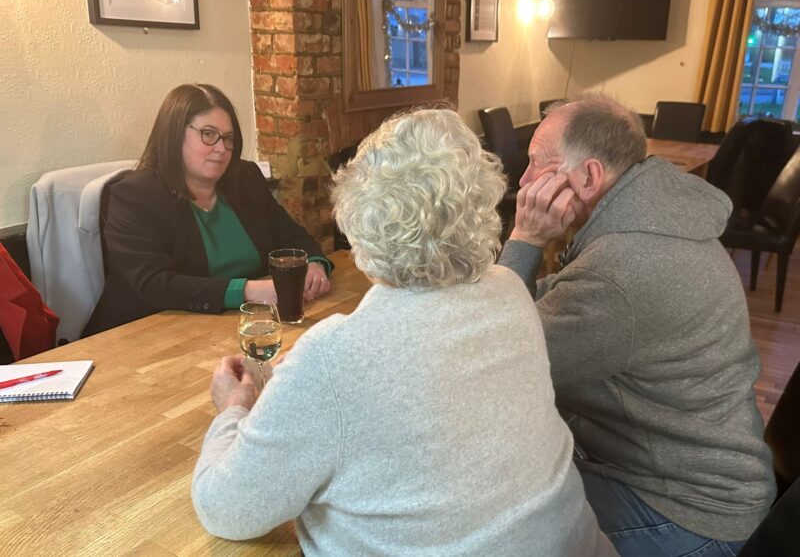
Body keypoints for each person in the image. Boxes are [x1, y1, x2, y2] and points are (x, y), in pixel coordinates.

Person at [191, 109, 616, 556]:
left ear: (358, 222)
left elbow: (227, 509)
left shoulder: (332, 356)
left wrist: (232, 410)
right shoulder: (510, 292)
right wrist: (304, 385)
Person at [498, 93, 776, 556]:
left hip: (690, 513)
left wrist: (524, 238)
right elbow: (562, 297)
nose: (524, 181)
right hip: (700, 475)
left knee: (507, 523)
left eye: (534, 165)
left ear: (587, 176)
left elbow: (502, 361)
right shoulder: (652, 213)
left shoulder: (620, 269)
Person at [83, 84, 331, 336]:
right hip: (148, 339)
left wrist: (314, 264)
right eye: (208, 134)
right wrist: (249, 291)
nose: (222, 148)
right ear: (174, 134)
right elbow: (156, 285)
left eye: (228, 138)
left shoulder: (245, 179)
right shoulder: (134, 196)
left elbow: (291, 235)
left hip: (237, 328)